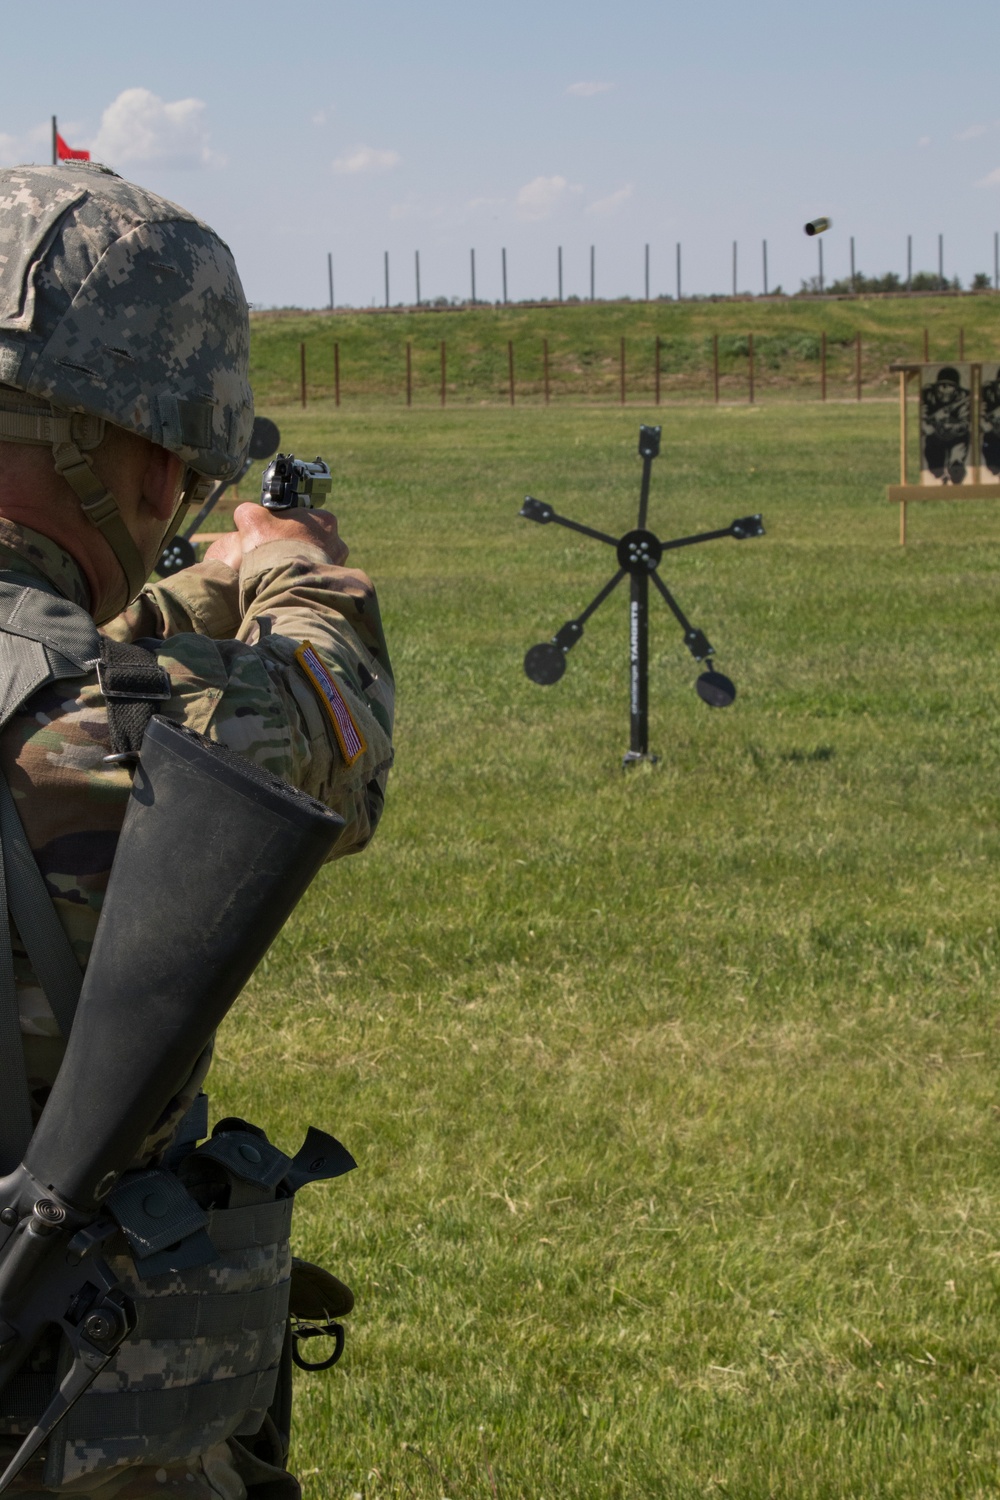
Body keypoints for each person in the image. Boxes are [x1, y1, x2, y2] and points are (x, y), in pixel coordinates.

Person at [0, 162, 394, 1499]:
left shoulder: (96, 705)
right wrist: (296, 568)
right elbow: (341, 733)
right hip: (55, 1417)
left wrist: (168, 612)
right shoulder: (144, 729)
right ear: (145, 454)